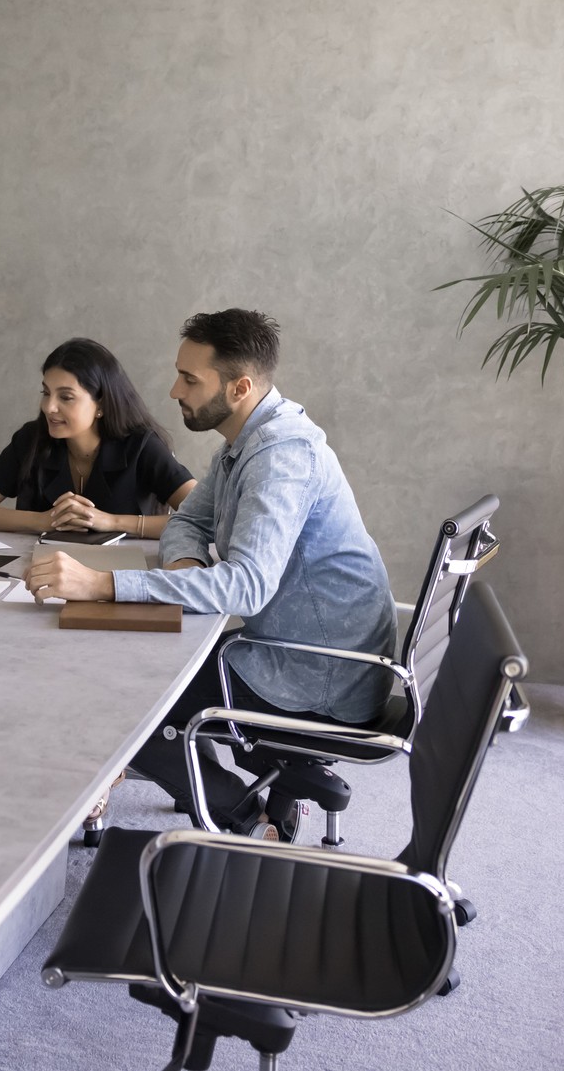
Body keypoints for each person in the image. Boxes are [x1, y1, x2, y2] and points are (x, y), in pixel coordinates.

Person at [23, 309, 396, 838]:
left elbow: (245, 586)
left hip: (320, 675)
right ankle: (264, 789)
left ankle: (247, 821)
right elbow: (189, 519)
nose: (174, 389)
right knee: (137, 671)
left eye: (190, 379)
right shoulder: (245, 440)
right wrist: (186, 567)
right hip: (296, 647)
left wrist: (101, 584)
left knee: (120, 701)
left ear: (240, 387)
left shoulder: (279, 456)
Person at [0, 337, 195, 536]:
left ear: (101, 404)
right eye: (46, 393)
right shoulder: (32, 439)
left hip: (121, 576)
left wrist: (112, 522)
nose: (49, 407)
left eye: (65, 397)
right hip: (39, 574)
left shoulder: (142, 446)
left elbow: (204, 518)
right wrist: (44, 521)